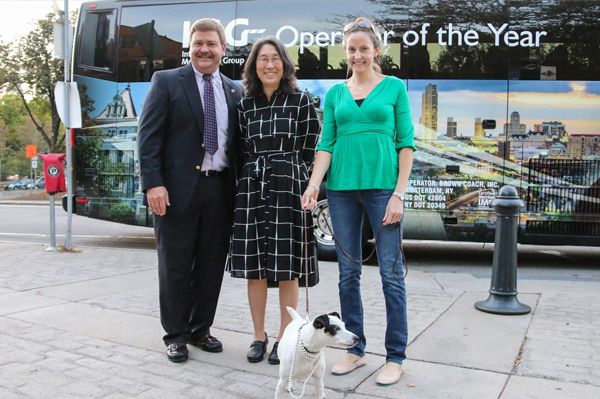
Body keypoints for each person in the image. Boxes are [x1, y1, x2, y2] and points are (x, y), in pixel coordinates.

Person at [301, 17, 416, 386]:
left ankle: (395, 356)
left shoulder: (394, 88)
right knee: (348, 275)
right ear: (345, 53)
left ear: (376, 51)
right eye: (351, 49)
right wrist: (313, 186)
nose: (357, 55)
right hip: (342, 193)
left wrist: (399, 194)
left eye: (363, 48)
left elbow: (406, 144)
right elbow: (326, 144)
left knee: (390, 275)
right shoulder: (336, 95)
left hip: (384, 190)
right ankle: (355, 348)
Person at [137, 18, 243, 363]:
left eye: (211, 44)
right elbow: (148, 138)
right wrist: (154, 183)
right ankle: (177, 335)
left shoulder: (234, 90)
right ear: (189, 48)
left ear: (223, 50)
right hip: (176, 191)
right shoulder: (166, 82)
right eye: (198, 43)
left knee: (211, 265)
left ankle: (201, 329)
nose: (204, 49)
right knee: (175, 265)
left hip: (220, 189)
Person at [226, 37, 320, 365]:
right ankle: (257, 335)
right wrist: (250, 178)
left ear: (285, 64)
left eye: (275, 59)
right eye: (263, 59)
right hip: (252, 187)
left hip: (289, 185)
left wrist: (300, 180)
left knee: (287, 268)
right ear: (254, 66)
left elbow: (311, 147)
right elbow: (238, 149)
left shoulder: (300, 101)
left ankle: (284, 336)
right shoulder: (244, 105)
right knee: (256, 269)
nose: (269, 65)